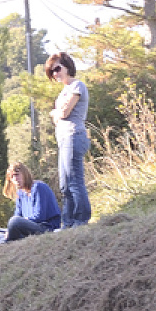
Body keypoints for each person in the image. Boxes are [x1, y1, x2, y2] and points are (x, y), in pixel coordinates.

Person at [46, 51, 91, 228]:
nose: (55, 74)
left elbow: (63, 113)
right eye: (52, 71)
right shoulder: (64, 91)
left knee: (74, 181)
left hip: (74, 136)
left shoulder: (77, 86)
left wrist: (57, 113)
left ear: (67, 66)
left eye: (58, 68)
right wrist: (57, 113)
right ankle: (68, 221)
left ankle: (81, 220)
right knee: (64, 185)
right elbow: (57, 115)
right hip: (63, 139)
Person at [2, 162, 61, 241]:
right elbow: (18, 214)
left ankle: (7, 242)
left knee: (14, 222)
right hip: (27, 228)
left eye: (17, 175)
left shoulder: (38, 187)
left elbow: (39, 217)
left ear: (24, 174)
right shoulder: (20, 193)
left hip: (45, 227)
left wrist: (24, 220)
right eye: (12, 177)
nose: (15, 179)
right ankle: (16, 237)